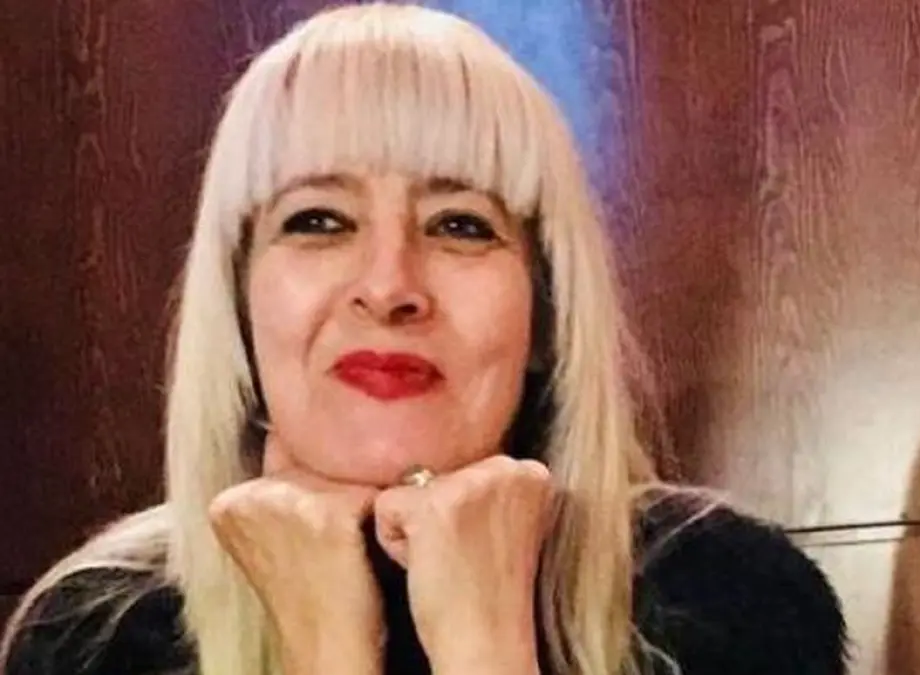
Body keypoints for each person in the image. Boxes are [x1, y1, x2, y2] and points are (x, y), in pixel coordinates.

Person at [0, 3, 847, 675]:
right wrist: (327, 645)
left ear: (546, 314)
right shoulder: (97, 631)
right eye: (318, 220)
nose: (388, 286)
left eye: (460, 225)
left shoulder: (726, 596)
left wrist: (484, 646)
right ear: (240, 303)